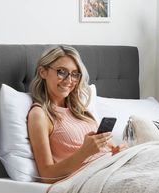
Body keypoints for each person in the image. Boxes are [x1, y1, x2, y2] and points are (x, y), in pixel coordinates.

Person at [28, 45, 125, 183]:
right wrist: (84, 152)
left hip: (114, 168)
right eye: (62, 72)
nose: (69, 80)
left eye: (75, 74)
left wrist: (120, 151)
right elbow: (46, 174)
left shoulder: (81, 112)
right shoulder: (40, 114)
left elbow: (108, 148)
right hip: (96, 178)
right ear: (43, 72)